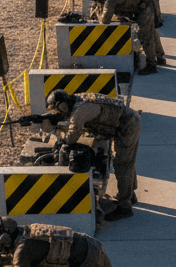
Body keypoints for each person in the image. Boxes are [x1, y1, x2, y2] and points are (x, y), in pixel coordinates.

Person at [44, 88, 143, 219]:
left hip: (127, 125)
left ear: (63, 105)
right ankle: (130, 195)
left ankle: (125, 207)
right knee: (127, 161)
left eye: (59, 110)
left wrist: (54, 133)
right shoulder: (78, 99)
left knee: (123, 164)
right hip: (129, 120)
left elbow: (71, 137)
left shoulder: (80, 111)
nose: (59, 113)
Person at [88, 0, 166, 74]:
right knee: (151, 31)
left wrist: (98, 12)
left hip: (143, 6)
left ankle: (152, 65)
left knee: (145, 35)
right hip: (143, 1)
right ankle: (160, 57)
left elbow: (105, 21)